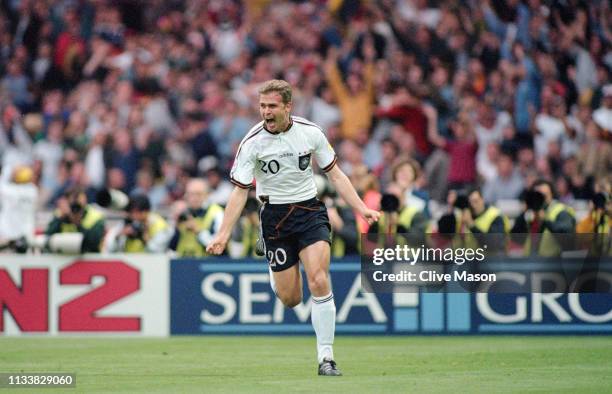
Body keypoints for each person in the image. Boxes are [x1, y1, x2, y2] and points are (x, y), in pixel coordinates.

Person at [206, 80, 379, 376]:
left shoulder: (310, 133)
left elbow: (335, 175)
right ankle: (275, 271)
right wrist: (222, 234)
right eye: (262, 106)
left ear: (288, 106)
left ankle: (326, 358)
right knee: (291, 299)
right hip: (274, 217)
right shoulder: (252, 142)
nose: (266, 112)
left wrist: (360, 207)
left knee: (319, 278)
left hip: (309, 211)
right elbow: (239, 191)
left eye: (272, 106)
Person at [169, 178, 224, 257]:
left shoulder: (217, 213)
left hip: (208, 265)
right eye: (190, 194)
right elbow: (170, 248)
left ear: (207, 194)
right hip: (182, 264)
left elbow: (218, 247)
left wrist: (198, 231)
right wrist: (175, 225)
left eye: (198, 194)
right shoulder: (181, 212)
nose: (194, 198)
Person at [103, 194, 173, 253]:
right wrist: (119, 236)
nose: (132, 215)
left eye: (135, 212)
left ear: (145, 211)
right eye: (130, 212)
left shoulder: (159, 225)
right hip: (129, 264)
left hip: (152, 265)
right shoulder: (127, 223)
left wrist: (145, 237)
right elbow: (110, 249)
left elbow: (155, 251)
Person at [46, 187, 105, 253]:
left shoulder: (95, 217)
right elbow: (47, 238)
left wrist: (77, 223)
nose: (76, 208)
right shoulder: (60, 214)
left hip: (89, 259)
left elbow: (93, 243)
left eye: (79, 205)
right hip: (62, 257)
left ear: (86, 201)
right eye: (73, 204)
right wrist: (61, 219)